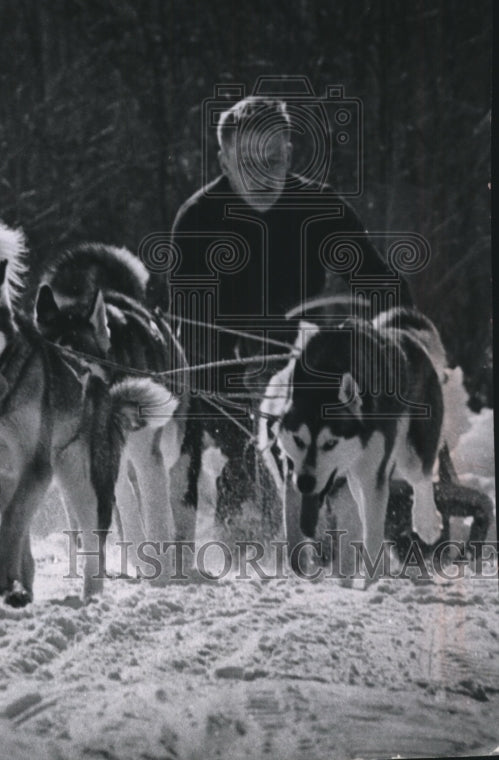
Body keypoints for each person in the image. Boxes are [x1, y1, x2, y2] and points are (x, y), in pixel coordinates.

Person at [169, 94, 413, 535]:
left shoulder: (318, 207)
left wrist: (395, 338)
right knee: (238, 433)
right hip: (223, 358)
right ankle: (245, 507)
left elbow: (381, 284)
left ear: (289, 154)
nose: (264, 173)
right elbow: (195, 338)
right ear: (224, 162)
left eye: (275, 158)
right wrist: (245, 397)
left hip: (303, 349)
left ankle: (375, 510)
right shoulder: (198, 220)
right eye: (249, 161)